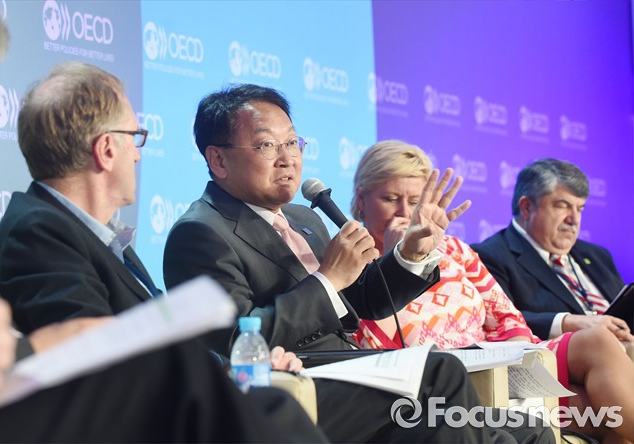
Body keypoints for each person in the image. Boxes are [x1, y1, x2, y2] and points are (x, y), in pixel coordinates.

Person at [0, 2, 325, 441]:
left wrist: (236, 367)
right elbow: (94, 369)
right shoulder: (38, 233)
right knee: (275, 412)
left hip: (161, 404)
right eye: (135, 138)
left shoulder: (96, 237)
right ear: (106, 149)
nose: (138, 156)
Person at [162, 83, 554, 443]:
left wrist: (411, 254)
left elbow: (366, 300)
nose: (288, 159)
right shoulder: (200, 234)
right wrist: (327, 280)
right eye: (267, 145)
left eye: (293, 143)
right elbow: (235, 342)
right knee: (439, 372)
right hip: (294, 386)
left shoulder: (303, 217)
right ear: (218, 160)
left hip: (348, 370)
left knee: (529, 431)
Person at [349, 140, 634, 443]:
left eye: (416, 201)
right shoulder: (352, 261)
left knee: (596, 342)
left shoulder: (454, 249)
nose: (405, 213)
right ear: (362, 200)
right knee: (604, 411)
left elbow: (507, 316)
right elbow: (375, 349)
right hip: (447, 383)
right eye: (390, 199)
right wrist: (397, 261)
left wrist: (523, 366)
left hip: (501, 365)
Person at [471, 159, 632, 343]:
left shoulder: (597, 255)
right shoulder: (490, 256)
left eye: (579, 209)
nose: (574, 219)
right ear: (527, 207)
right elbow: (499, 320)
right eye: (562, 206)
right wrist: (568, 322)